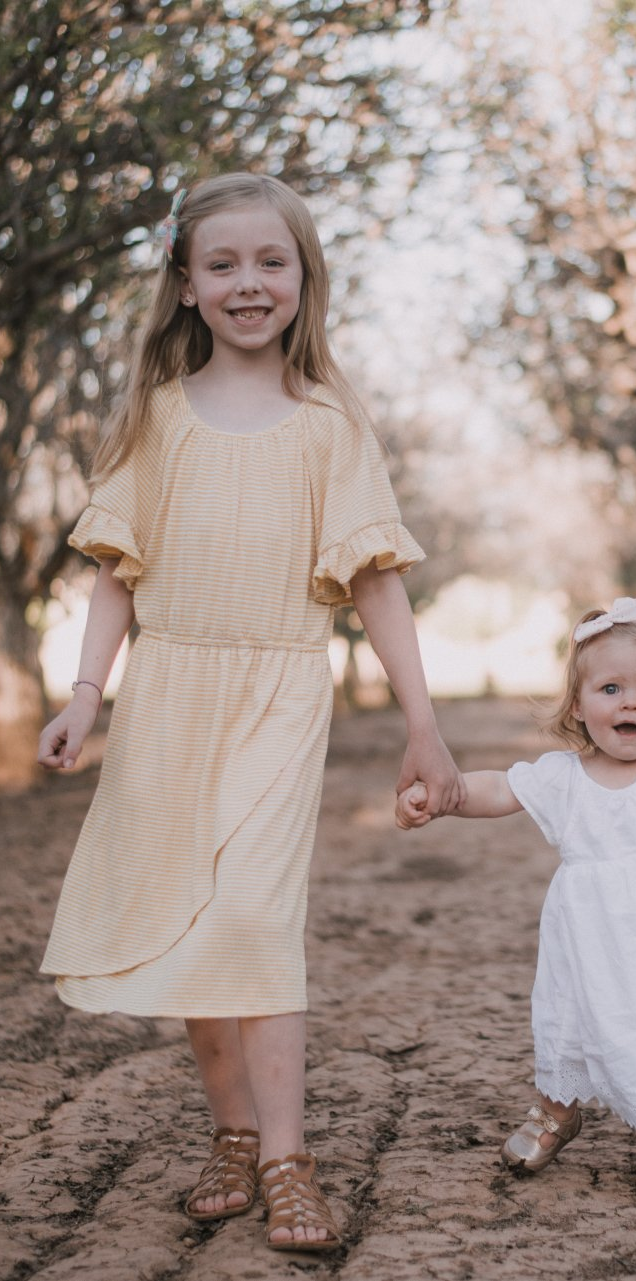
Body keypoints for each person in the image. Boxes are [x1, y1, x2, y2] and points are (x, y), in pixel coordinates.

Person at [37, 173, 464, 1251]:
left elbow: (374, 582)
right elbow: (116, 578)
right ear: (184, 284)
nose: (248, 282)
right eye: (221, 264)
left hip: (280, 688)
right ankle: (231, 1134)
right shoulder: (155, 419)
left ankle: (287, 1160)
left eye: (271, 262)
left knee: (253, 922)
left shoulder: (329, 426)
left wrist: (423, 723)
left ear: (304, 279)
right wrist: (84, 696)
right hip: (168, 697)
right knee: (192, 917)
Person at [396, 596, 636, 1186]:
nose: (630, 701)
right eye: (610, 689)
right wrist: (442, 796)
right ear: (578, 707)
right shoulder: (564, 778)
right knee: (571, 1021)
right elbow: (499, 790)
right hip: (597, 943)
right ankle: (556, 1110)